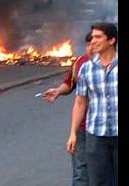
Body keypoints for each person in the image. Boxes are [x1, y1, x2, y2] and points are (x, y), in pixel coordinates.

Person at [67, 22, 118, 186]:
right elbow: (80, 102)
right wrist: (73, 133)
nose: (93, 41)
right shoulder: (86, 69)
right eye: (92, 37)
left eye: (98, 37)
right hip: (96, 136)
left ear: (111, 40)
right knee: (98, 181)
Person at [43, 32, 93, 186]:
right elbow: (70, 85)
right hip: (83, 127)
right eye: (88, 44)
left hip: (109, 130)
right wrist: (58, 91)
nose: (91, 47)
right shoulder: (80, 63)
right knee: (80, 172)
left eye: (96, 42)